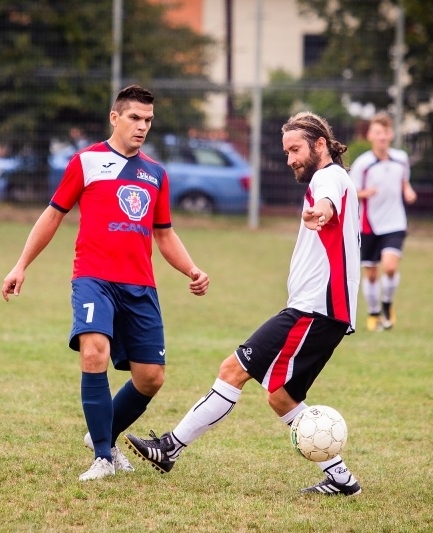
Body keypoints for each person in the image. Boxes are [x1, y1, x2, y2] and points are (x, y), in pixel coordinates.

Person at [124, 111, 362, 496]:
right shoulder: (331, 178)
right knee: (282, 397)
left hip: (315, 309)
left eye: (295, 149)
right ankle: (341, 478)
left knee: (234, 368)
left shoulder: (328, 177)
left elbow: (328, 201)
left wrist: (323, 210)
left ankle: (170, 447)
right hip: (322, 311)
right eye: (286, 152)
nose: (290, 160)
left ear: (320, 145)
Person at [1, 85, 209, 482]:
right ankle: (102, 457)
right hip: (93, 279)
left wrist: (192, 270)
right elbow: (52, 215)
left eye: (148, 120)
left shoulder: (156, 174)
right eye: (135, 117)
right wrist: (20, 265)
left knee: (151, 378)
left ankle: (104, 435)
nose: (142, 126)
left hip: (140, 286)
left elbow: (164, 234)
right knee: (94, 353)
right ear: (115, 118)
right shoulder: (86, 162)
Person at [349, 112, 416, 331]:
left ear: (391, 134)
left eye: (385, 132)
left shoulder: (401, 159)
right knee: (371, 273)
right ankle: (373, 312)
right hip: (368, 225)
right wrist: (365, 193)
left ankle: (387, 306)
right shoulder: (363, 164)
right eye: (378, 132)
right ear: (370, 135)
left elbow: (404, 180)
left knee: (389, 267)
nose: (382, 137)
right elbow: (350, 193)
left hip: (395, 222)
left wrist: (408, 190)